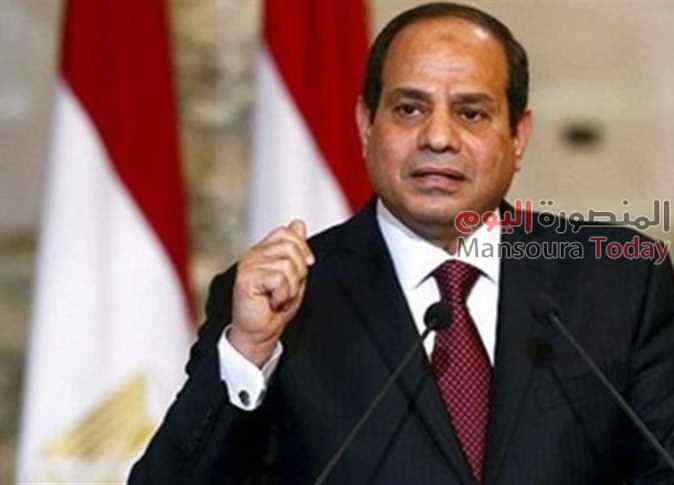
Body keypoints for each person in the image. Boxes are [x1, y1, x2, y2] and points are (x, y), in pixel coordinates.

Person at [129, 3, 674, 484]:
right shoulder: (284, 304)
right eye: (409, 109)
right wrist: (248, 352)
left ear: (518, 136)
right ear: (366, 124)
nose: (438, 138)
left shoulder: (621, 282)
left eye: (471, 113)